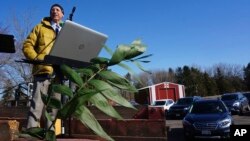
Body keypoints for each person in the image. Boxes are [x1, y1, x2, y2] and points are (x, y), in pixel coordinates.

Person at [22, 3, 64, 130]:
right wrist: (37, 59)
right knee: (37, 105)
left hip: (59, 74)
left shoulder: (66, 31)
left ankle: (49, 134)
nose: (55, 11)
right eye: (52, 10)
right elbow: (27, 45)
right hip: (43, 71)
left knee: (53, 108)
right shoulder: (39, 27)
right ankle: (31, 133)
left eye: (57, 10)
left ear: (62, 14)